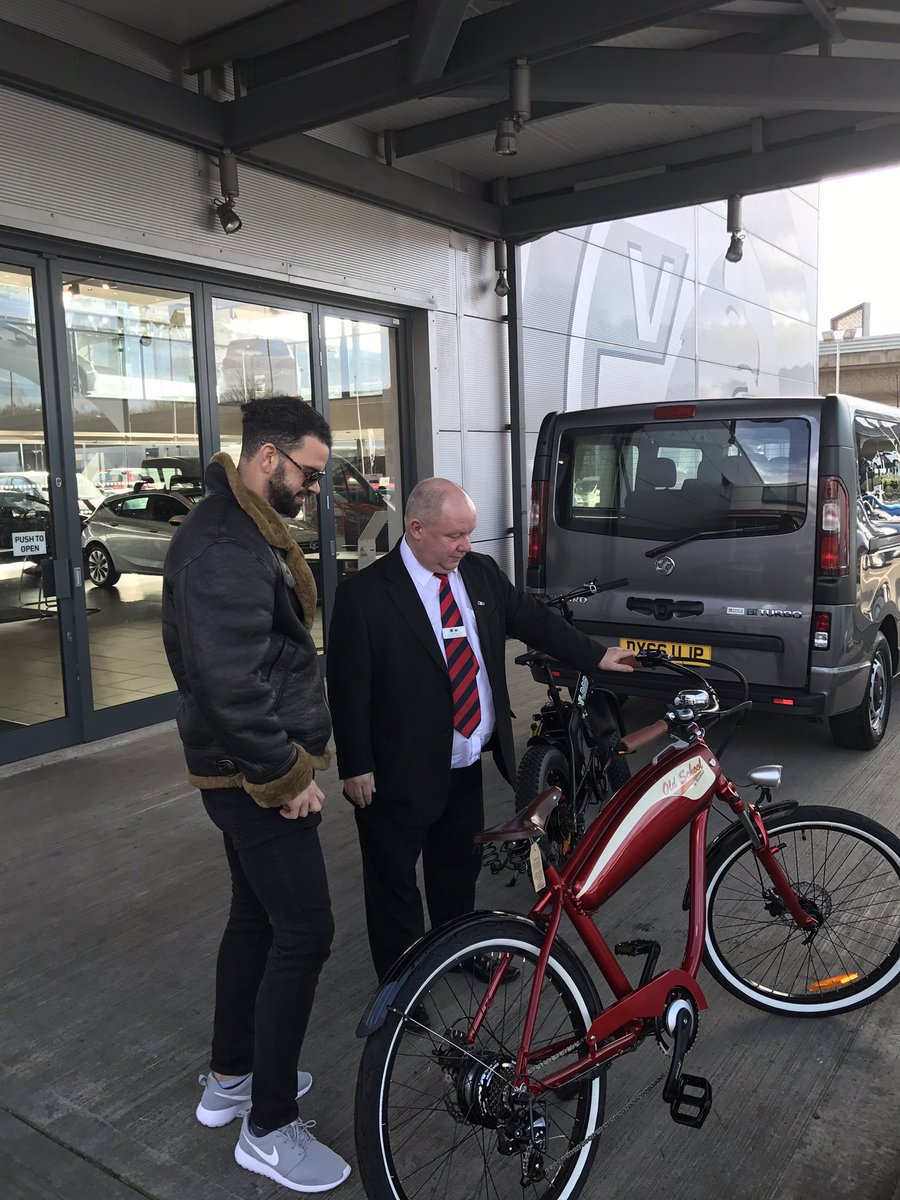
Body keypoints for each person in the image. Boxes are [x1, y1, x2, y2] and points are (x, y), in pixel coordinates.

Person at [326, 478, 635, 983]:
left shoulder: (481, 573)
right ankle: (404, 983)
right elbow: (347, 687)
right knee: (394, 883)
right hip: (398, 769)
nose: (465, 546)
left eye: (470, 534)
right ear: (416, 529)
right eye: (454, 536)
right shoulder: (365, 596)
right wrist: (355, 764)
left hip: (465, 761)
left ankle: (460, 950)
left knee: (456, 869)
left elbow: (535, 620)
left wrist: (596, 655)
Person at [162, 396, 350, 1194]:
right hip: (253, 777)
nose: (314, 488)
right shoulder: (225, 544)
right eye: (308, 472)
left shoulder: (237, 530)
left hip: (239, 772)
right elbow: (228, 683)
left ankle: (231, 1077)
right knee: (305, 933)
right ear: (268, 457)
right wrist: (286, 779)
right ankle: (267, 1128)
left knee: (255, 919)